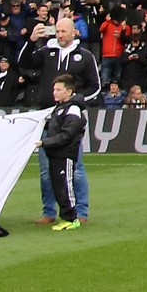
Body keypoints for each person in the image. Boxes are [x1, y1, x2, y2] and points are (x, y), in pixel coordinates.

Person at [32, 15, 100, 225]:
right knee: (46, 171)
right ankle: (49, 211)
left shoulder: (85, 56)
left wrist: (74, 102)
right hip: (46, 118)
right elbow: (24, 64)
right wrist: (32, 40)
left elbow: (95, 87)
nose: (60, 35)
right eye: (58, 31)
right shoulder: (47, 52)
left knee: (75, 168)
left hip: (69, 120)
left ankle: (81, 211)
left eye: (64, 31)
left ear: (74, 32)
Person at [42, 77, 87, 232]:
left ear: (69, 91)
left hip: (65, 154)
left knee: (66, 186)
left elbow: (67, 134)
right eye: (54, 89)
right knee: (58, 186)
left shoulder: (73, 109)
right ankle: (66, 217)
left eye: (58, 89)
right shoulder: (60, 108)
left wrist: (45, 142)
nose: (54, 92)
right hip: (55, 153)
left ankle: (72, 218)